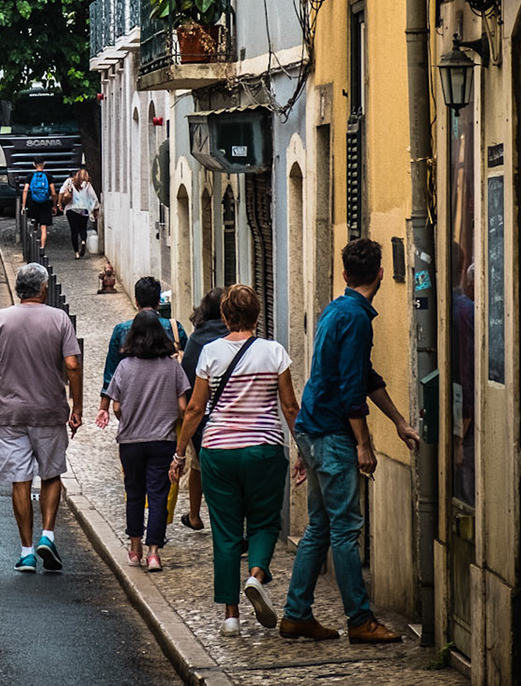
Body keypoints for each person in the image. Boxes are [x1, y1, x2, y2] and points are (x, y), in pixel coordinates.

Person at [280, 238, 418, 645]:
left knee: (319, 526)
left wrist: (397, 422)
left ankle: (296, 614)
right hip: (332, 433)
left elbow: (364, 374)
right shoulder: (356, 319)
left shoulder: (337, 310)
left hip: (313, 427)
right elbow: (351, 387)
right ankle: (359, 619)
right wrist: (364, 443)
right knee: (344, 529)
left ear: (344, 275)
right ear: (380, 274)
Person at [171, 284, 299, 638]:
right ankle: (256, 576)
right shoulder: (274, 352)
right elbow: (289, 407)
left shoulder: (210, 352)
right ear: (258, 316)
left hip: (218, 452)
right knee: (264, 523)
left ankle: (230, 617)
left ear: (225, 317)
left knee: (226, 533)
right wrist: (302, 449)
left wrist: (180, 453)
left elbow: (195, 409)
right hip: (264, 449)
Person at [0, 262, 84, 573]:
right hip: (49, 411)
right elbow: (73, 366)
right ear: (44, 289)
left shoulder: (0, 319)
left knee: (19, 480)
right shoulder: (59, 319)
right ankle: (47, 536)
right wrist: (77, 407)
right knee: (50, 474)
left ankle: (26, 552)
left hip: (10, 414)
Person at [105, 311, 189, 572]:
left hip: (130, 440)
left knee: (134, 494)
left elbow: (116, 406)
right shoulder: (172, 367)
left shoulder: (124, 366)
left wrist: (128, 416)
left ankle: (134, 548)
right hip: (162, 440)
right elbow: (183, 408)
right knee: (158, 495)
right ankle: (154, 553)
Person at [97, 275, 187, 426]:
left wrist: (104, 406)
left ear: (136, 301)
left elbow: (111, 371)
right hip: (166, 403)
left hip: (132, 405)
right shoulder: (174, 328)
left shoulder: (121, 330)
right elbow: (188, 362)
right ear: (159, 301)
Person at [175, 288, 227, 530]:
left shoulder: (197, 339)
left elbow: (187, 378)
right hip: (234, 418)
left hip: (203, 419)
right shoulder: (237, 336)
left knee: (198, 466)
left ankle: (195, 515)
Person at [59, 168, 99, 261]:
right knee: (83, 228)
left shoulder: (69, 181)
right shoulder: (87, 185)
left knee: (74, 231)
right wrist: (95, 208)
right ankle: (84, 241)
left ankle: (76, 253)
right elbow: (94, 197)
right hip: (83, 210)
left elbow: (61, 192)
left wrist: (59, 203)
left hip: (71, 209)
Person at [24, 159, 57, 254]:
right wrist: (54, 205)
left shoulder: (30, 176)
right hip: (45, 203)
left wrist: (23, 205)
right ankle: (42, 248)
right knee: (43, 227)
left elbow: (25, 190)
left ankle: (34, 247)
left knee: (34, 225)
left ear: (34, 164)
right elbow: (54, 193)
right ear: (44, 164)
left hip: (33, 203)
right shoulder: (48, 176)